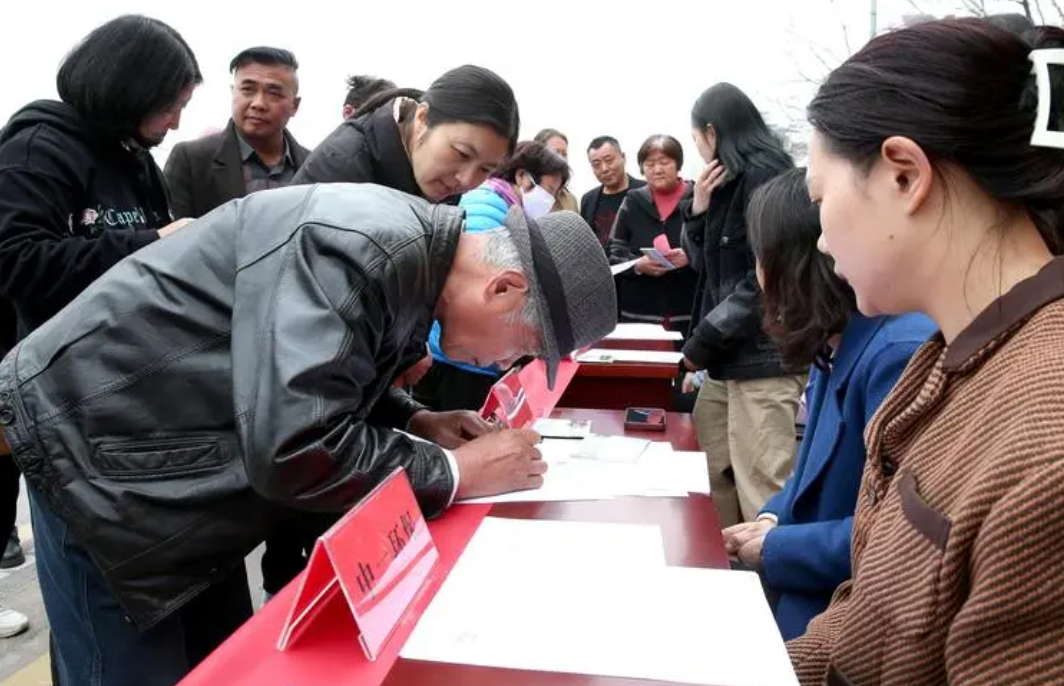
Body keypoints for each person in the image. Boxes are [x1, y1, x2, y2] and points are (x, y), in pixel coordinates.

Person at [0, 181, 617, 686]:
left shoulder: (416, 254)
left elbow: (321, 374)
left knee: (215, 664)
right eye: (523, 347)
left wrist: (413, 419)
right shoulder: (358, 249)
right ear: (503, 287)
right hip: (95, 459)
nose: (503, 364)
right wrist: (456, 472)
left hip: (172, 459)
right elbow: (293, 444)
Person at [787, 19, 1064, 683]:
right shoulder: (952, 359)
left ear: (904, 175)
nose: (820, 239)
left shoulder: (1045, 444)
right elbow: (865, 627)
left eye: (821, 198)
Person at [0, 12, 201, 674]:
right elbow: (16, 262)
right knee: (99, 621)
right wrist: (148, 246)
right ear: (128, 86)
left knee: (124, 630)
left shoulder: (136, 159)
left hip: (134, 415)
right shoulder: (36, 148)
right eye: (169, 104)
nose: (175, 122)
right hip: (63, 416)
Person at [720, 168, 935, 640]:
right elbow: (809, 483)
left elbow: (900, 536)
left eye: (759, 257)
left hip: (843, 622)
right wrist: (773, 517)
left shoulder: (898, 353)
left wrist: (779, 546)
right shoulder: (835, 342)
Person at [681, 83, 804, 529]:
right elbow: (704, 268)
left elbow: (764, 282)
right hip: (728, 355)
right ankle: (723, 554)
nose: (699, 150)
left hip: (764, 354)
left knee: (760, 479)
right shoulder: (724, 183)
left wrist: (702, 342)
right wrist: (698, 210)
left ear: (712, 133)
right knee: (710, 463)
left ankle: (765, 567)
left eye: (697, 139)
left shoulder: (767, 178)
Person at [413, 141, 572, 411]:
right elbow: (468, 289)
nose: (506, 363)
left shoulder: (501, 207)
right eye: (550, 190)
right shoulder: (487, 211)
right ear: (523, 177)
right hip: (455, 361)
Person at [293, 64, 518, 202]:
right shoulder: (341, 170)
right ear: (422, 117)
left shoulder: (443, 183)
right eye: (462, 153)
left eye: (485, 169)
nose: (467, 180)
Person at [165, 47, 309, 218]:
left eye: (273, 93)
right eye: (248, 89)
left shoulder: (316, 167)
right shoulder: (191, 160)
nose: (258, 104)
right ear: (233, 92)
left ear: (294, 105)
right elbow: (173, 232)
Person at [608, 134, 697, 331]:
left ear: (678, 164)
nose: (657, 169)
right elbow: (614, 253)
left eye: (664, 162)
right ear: (642, 168)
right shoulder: (632, 202)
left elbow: (716, 250)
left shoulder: (699, 198)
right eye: (649, 164)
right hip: (639, 314)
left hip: (690, 313)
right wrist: (638, 266)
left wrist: (691, 256)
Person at [581, 135, 645, 247]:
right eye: (596, 165)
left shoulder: (645, 192)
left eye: (609, 160)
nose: (604, 169)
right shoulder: (588, 200)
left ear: (623, 157)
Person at [533, 128, 580, 212]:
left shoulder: (570, 200)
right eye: (555, 152)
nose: (562, 159)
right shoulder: (525, 196)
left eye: (564, 154)